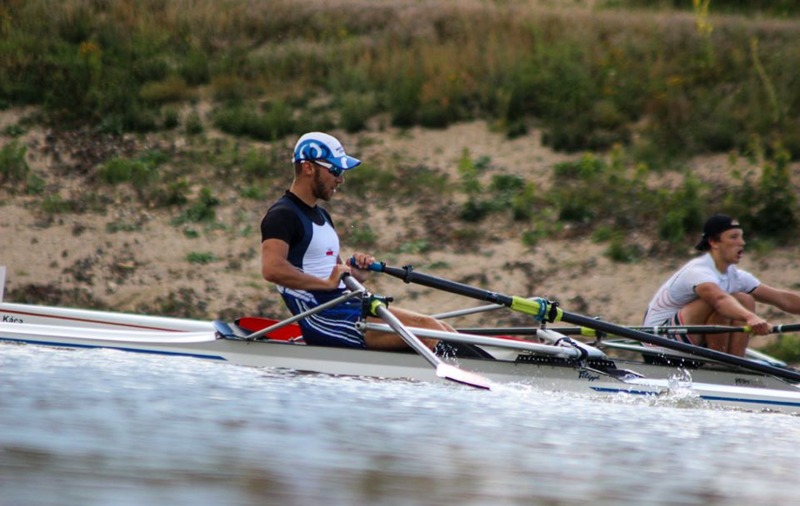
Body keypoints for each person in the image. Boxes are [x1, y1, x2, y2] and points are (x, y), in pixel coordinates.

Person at [259, 131, 455, 350]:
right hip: (324, 318)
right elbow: (272, 269)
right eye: (335, 170)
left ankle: (484, 370)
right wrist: (326, 284)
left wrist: (355, 276)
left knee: (444, 329)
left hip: (346, 306)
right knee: (430, 331)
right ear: (308, 168)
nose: (340, 179)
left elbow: (335, 273)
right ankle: (474, 377)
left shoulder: (322, 216)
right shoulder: (282, 215)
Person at [643, 214, 800, 356]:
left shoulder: (736, 277)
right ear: (713, 242)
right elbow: (719, 300)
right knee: (723, 303)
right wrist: (751, 317)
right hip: (659, 345)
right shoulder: (698, 271)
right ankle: (719, 365)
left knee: (745, 300)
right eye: (733, 237)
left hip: (689, 342)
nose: (742, 243)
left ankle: (734, 366)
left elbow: (783, 299)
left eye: (741, 237)